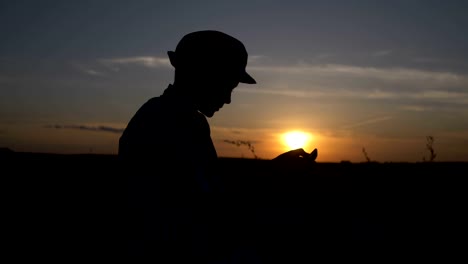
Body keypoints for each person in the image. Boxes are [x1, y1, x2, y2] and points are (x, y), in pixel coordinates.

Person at [118, 30, 317, 262]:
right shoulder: (166, 122)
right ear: (204, 75)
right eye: (228, 86)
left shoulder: (183, 119)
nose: (228, 99)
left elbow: (209, 190)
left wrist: (272, 170)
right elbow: (199, 210)